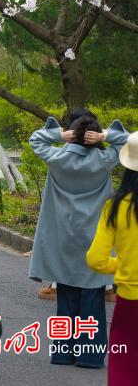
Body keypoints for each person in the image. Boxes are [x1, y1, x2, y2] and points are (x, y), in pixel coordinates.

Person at [29, 109, 130, 369]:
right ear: (94, 136)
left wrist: (59, 135)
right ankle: (90, 355)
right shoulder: (105, 159)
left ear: (73, 135)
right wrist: (105, 135)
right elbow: (128, 141)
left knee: (66, 298)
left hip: (63, 239)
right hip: (95, 240)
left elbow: (36, 140)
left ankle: (63, 353)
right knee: (92, 300)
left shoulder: (57, 158)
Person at [87, 130, 138, 385]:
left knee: (125, 361)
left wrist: (123, 264)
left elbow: (96, 259)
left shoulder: (115, 207)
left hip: (130, 299)